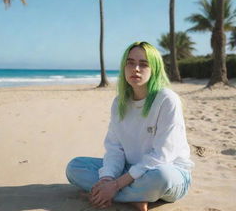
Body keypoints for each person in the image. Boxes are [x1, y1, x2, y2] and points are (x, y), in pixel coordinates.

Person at [66, 41, 194, 211]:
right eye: (131, 63)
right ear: (124, 67)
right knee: (75, 167)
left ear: (154, 69)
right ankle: (133, 197)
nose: (136, 69)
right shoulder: (119, 102)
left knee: (162, 176)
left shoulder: (167, 100)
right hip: (130, 170)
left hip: (170, 173)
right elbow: (114, 149)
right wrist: (106, 180)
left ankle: (114, 194)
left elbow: (162, 156)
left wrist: (116, 185)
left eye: (144, 64)